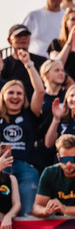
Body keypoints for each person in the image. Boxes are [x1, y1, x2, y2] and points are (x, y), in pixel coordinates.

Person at [0, 78, 44, 213]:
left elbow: (40, 91)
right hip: (2, 168)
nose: (15, 96)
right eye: (11, 92)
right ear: (2, 96)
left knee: (27, 213)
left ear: (24, 97)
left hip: (27, 168)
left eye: (19, 93)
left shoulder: (30, 114)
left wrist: (28, 64)